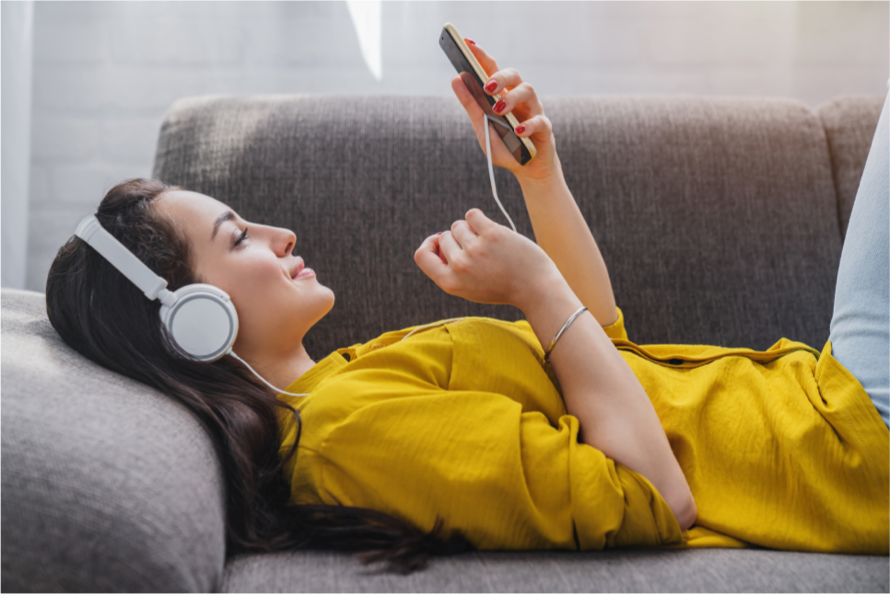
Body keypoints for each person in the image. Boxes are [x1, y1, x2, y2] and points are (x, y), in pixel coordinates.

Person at [45, 41, 890, 574]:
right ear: (197, 324)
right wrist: (532, 288)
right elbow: (650, 491)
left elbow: (601, 354)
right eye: (237, 239)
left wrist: (537, 178)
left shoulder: (347, 383)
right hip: (847, 449)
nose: (278, 232)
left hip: (828, 405)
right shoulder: (345, 433)